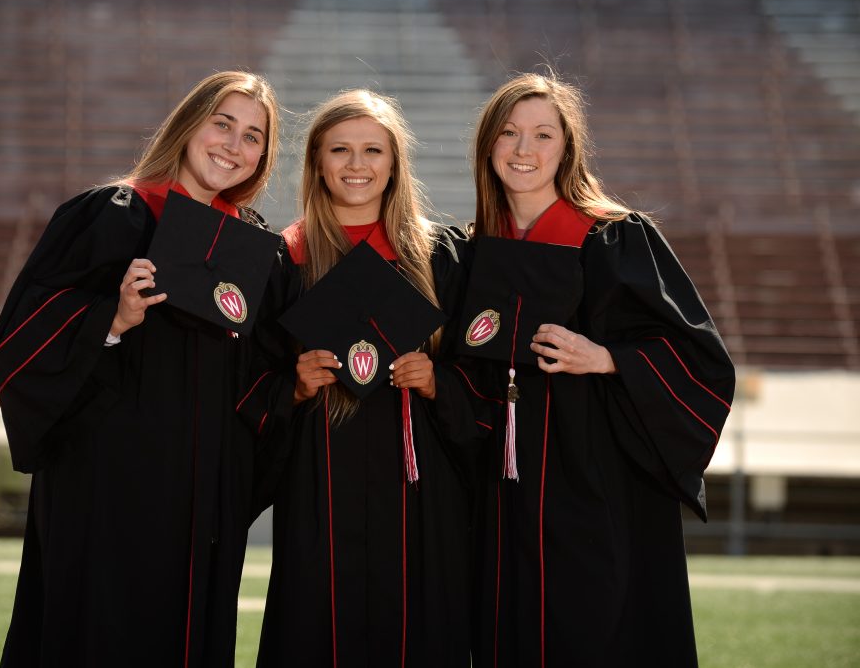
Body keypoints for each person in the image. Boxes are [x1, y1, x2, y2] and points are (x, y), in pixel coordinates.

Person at [0, 70, 280, 667]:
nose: (233, 144)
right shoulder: (109, 214)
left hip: (204, 492)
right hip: (106, 482)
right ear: (187, 124)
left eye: (253, 136)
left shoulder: (254, 249)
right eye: (221, 123)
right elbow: (20, 336)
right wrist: (112, 320)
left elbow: (260, 367)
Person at [455, 72, 736, 667]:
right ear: (487, 145)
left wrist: (608, 358)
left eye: (542, 135)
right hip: (502, 500)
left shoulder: (616, 238)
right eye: (508, 133)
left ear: (567, 147)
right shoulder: (469, 251)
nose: (524, 151)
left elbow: (703, 362)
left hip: (598, 493)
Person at [236, 89, 482, 666]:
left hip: (420, 489)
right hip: (318, 483)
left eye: (373, 150)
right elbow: (246, 379)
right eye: (339, 149)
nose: (356, 165)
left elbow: (483, 370)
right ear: (316, 161)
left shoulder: (438, 255)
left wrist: (437, 381)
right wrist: (291, 384)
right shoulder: (282, 259)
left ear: (395, 162)